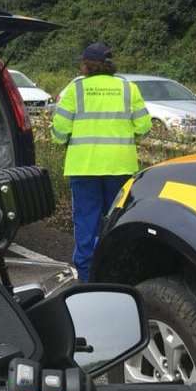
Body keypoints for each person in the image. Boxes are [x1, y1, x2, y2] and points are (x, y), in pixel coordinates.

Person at [51, 43, 150, 281]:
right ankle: (117, 276)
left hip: (84, 168)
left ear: (86, 65)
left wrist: (63, 139)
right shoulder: (129, 89)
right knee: (116, 222)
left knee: (86, 222)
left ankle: (87, 280)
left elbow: (59, 132)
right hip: (120, 168)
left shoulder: (76, 90)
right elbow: (144, 127)